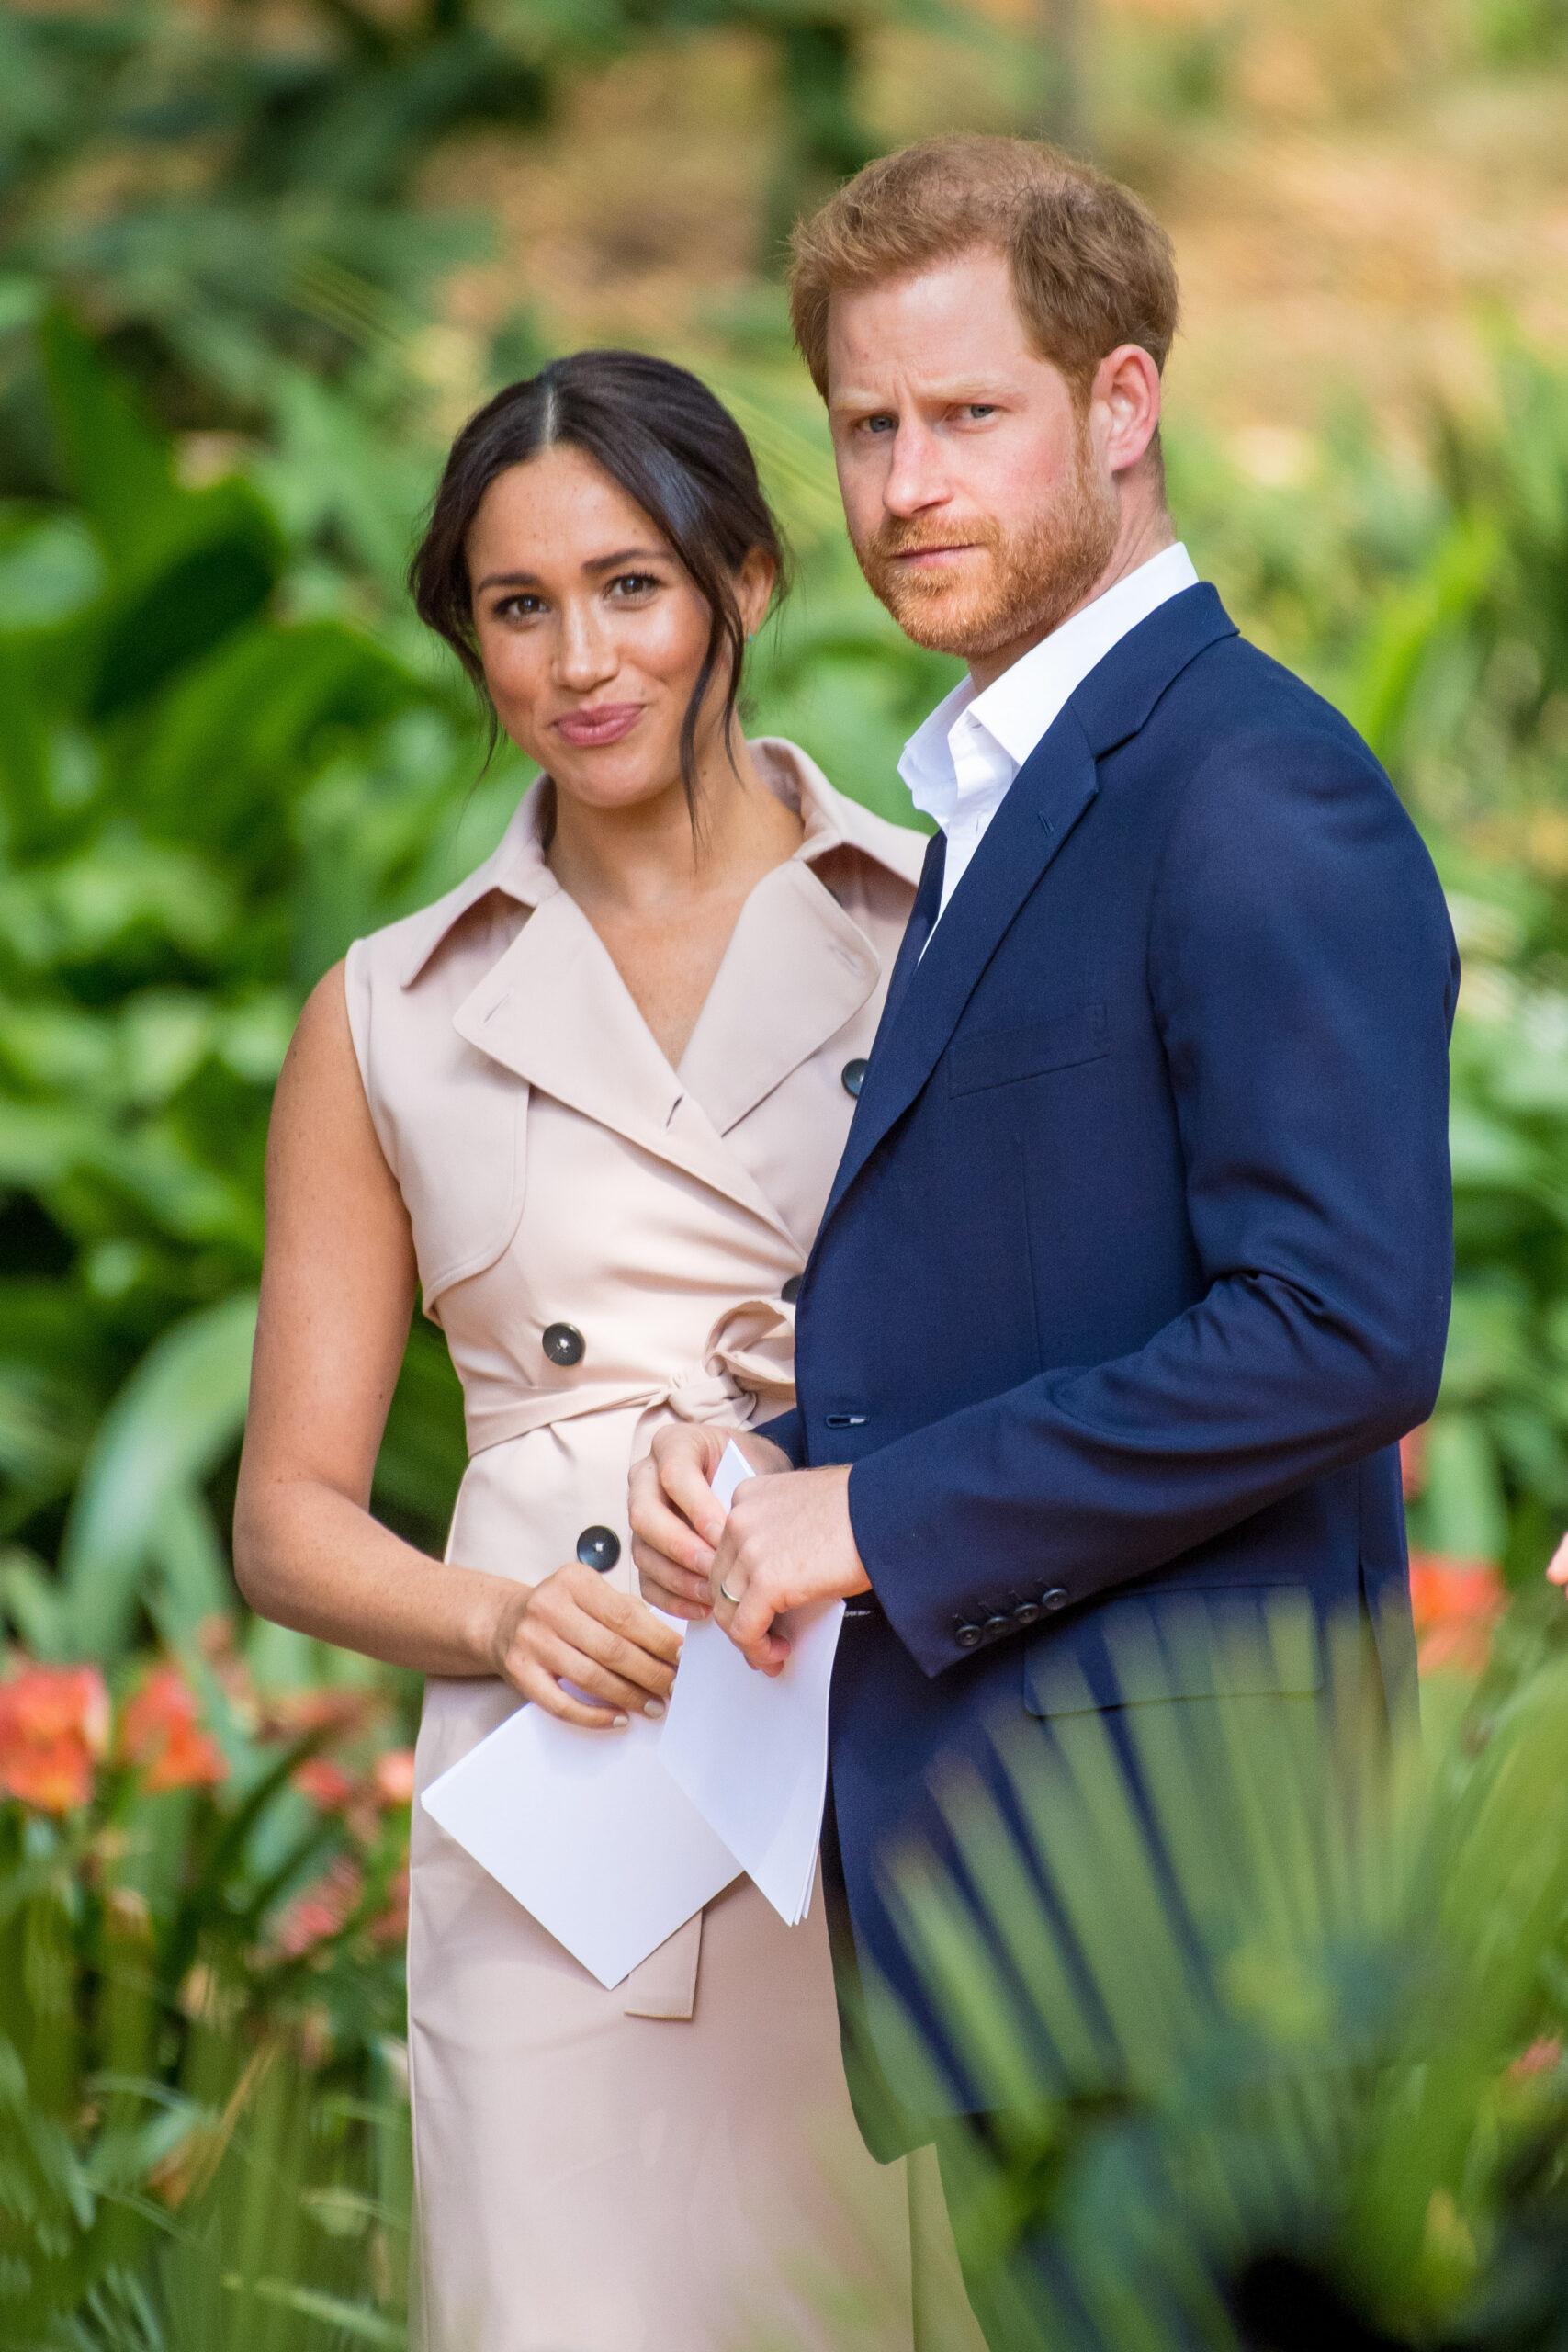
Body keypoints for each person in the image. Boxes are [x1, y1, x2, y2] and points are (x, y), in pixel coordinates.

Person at [630, 135, 1459, 2332]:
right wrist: (773, 1452)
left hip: (1190, 1922)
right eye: (866, 427)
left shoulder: (1242, 784)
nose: (904, 483)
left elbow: (1339, 1326)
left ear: (1118, 406)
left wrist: (869, 1515)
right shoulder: (1010, 794)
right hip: (1045, 1909)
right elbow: (1052, 1279)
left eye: (966, 416)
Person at [232, 349, 984, 2352]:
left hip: (861, 1761)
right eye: (516, 603)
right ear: (467, 636)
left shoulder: (936, 927)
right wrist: (498, 1624)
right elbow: (288, 1521)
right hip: (562, 1807)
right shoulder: (387, 1011)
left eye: (632, 584)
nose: (579, 656)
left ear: (742, 581)